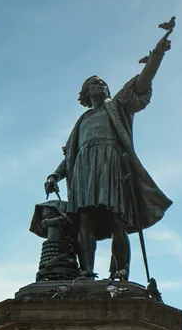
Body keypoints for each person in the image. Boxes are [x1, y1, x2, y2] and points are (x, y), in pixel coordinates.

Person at [45, 31, 172, 280]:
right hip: (84, 171)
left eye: (103, 83)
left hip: (113, 166)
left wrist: (156, 56)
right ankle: (86, 271)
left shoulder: (117, 107)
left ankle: (120, 271)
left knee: (118, 221)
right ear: (85, 93)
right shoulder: (82, 121)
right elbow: (71, 155)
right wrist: (55, 175)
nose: (101, 85)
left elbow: (141, 83)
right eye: (95, 83)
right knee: (85, 222)